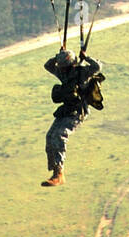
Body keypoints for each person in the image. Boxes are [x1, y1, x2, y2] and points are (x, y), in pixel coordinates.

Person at [41, 47, 104, 187]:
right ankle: (55, 171)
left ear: (70, 64)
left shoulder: (82, 73)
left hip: (77, 111)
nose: (61, 70)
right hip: (66, 109)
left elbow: (97, 66)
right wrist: (57, 57)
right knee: (50, 136)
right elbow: (48, 66)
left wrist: (86, 57)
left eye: (63, 67)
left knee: (60, 135)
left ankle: (59, 173)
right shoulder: (63, 72)